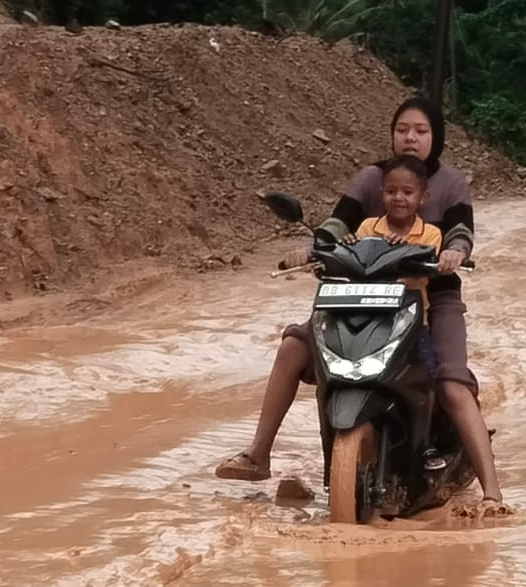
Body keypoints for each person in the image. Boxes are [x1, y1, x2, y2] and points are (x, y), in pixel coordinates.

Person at [216, 95, 505, 507]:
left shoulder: (450, 183)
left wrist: (455, 252)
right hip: (358, 293)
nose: (410, 137)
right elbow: (336, 224)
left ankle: (492, 492)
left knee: (452, 382)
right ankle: (258, 454)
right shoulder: (372, 178)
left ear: (435, 138)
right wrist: (312, 248)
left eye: (421, 131)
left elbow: (462, 230)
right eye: (403, 129)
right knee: (293, 347)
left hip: (431, 297)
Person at [355, 154, 442, 373]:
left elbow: (420, 276)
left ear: (423, 197)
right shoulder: (367, 228)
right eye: (391, 191)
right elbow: (358, 268)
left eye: (408, 192)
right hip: (368, 319)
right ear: (381, 193)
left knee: (427, 373)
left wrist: (398, 250)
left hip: (410, 322)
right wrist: (350, 246)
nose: (398, 197)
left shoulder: (431, 234)